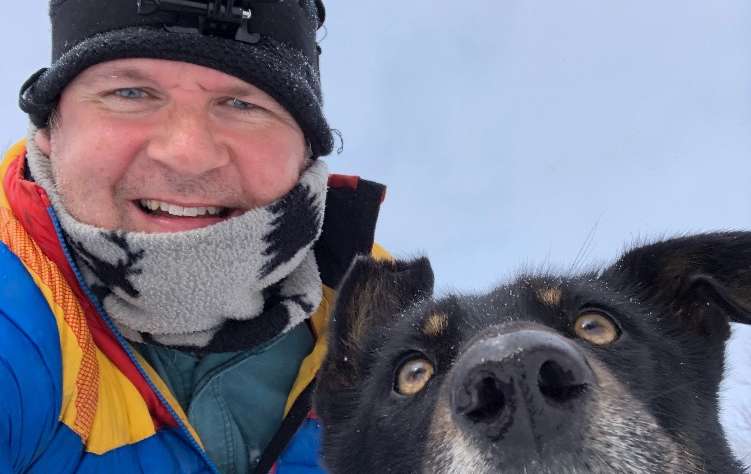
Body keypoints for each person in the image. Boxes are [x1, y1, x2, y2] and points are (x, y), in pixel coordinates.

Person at [0, 1, 388, 472]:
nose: (187, 154)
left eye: (242, 104)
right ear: (50, 129)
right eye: (129, 93)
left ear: (306, 152)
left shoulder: (390, 327)